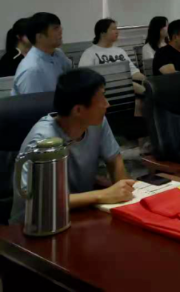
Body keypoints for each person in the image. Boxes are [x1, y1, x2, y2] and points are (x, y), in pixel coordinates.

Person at [10, 69, 135, 224]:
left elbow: (114, 160)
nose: (107, 104)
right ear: (78, 110)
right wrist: (103, 195)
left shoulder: (97, 123)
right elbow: (41, 201)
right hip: (35, 224)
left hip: (78, 214)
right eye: (102, 98)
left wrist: (124, 194)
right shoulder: (43, 140)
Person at [79, 19, 146, 97]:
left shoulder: (120, 51)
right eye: (113, 29)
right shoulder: (90, 53)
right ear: (102, 32)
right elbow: (84, 78)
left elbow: (133, 72)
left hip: (126, 89)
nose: (117, 32)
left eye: (117, 29)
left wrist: (147, 80)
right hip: (105, 91)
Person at [12, 12, 72, 96]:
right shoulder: (31, 70)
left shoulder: (58, 54)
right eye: (55, 28)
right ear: (39, 37)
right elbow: (33, 103)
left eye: (59, 27)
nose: (61, 31)